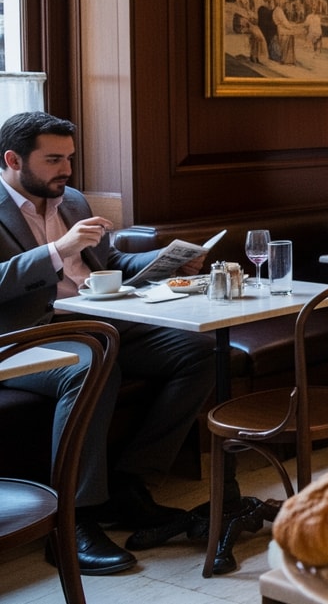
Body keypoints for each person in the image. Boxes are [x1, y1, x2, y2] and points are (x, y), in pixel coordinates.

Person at [0, 111, 213, 575]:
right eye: (53, 159)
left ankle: (129, 481)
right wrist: (59, 249)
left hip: (98, 319)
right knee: (93, 363)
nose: (67, 171)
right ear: (13, 159)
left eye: (70, 159)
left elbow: (107, 261)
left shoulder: (70, 199)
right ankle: (72, 521)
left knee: (196, 350)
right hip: (24, 339)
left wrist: (166, 258)